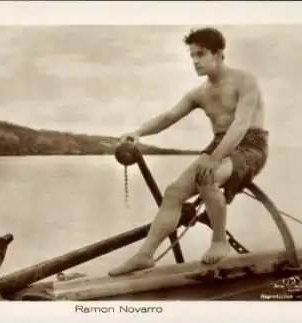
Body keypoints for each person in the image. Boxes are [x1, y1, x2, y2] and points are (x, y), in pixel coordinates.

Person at [108, 27, 269, 277]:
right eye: (192, 56)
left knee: (207, 176)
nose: (195, 61)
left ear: (219, 54)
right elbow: (169, 116)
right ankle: (145, 255)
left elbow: (240, 125)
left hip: (250, 145)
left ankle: (219, 241)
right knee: (173, 192)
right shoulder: (200, 93)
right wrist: (138, 133)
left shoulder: (245, 81)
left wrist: (214, 160)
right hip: (218, 145)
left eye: (201, 54)